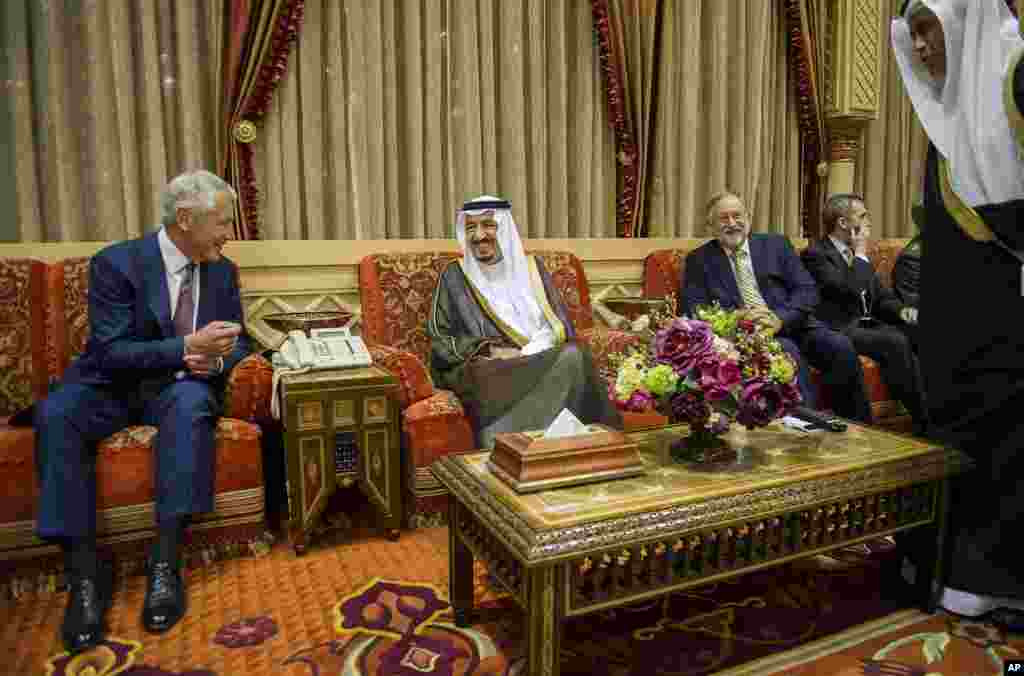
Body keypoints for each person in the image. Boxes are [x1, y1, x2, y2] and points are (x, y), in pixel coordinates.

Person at [34, 170, 249, 653]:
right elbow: (110, 352)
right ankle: (85, 577)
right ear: (186, 219)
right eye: (222, 223)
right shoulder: (116, 263)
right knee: (56, 414)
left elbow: (241, 343)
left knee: (194, 404)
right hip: (110, 386)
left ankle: (165, 564)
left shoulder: (222, 271)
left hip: (177, 389)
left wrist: (214, 358)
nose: (228, 235)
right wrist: (184, 347)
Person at [892, 0, 1024, 629]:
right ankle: (960, 577)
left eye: (930, 29)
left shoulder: (1014, 87)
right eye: (913, 32)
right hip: (954, 332)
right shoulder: (943, 123)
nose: (920, 45)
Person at [427, 195, 621, 449]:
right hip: (489, 364)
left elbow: (558, 324)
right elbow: (438, 337)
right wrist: (490, 350)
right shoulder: (454, 275)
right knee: (488, 373)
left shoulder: (533, 268)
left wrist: (531, 350)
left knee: (575, 355)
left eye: (488, 225)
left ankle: (587, 448)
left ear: (504, 229)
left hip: (537, 355)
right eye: (471, 227)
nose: (479, 236)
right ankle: (506, 448)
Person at [680, 191, 873, 423]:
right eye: (723, 218)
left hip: (793, 321)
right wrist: (742, 318)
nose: (732, 223)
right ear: (710, 226)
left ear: (748, 218)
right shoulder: (699, 260)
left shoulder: (776, 245)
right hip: (752, 334)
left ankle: (859, 426)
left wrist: (780, 318)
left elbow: (807, 290)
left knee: (839, 345)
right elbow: (696, 310)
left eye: (737, 215)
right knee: (786, 351)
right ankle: (809, 428)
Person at [801, 194, 928, 434]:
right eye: (862, 216)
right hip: (839, 328)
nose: (869, 221)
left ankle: (939, 413)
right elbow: (846, 290)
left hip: (868, 324)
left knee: (916, 331)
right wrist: (860, 255)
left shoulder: (856, 255)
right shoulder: (816, 255)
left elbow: (881, 298)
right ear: (843, 223)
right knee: (894, 340)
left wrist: (906, 312)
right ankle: (924, 420)